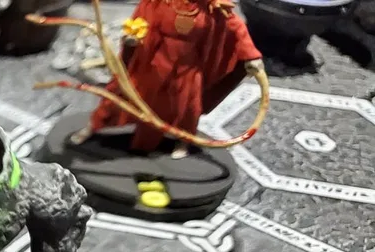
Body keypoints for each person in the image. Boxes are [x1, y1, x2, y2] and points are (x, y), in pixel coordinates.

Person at [69, 0, 263, 158]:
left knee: (188, 108)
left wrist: (252, 56)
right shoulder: (160, 2)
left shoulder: (213, 7)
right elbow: (141, 21)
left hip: (189, 68)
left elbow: (237, 28)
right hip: (156, 62)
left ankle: (184, 141)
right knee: (126, 94)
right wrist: (132, 39)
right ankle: (93, 126)